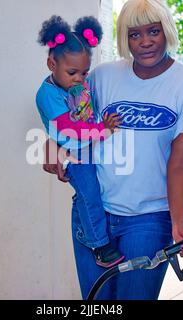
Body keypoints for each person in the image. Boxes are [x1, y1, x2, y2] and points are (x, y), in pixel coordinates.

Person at [43, 0, 183, 300]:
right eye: (134, 34)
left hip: (149, 219)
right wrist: (52, 143)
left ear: (167, 31)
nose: (145, 41)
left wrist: (179, 220)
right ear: (124, 37)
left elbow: (181, 160)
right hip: (93, 213)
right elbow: (67, 113)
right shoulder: (101, 77)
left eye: (153, 31)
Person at [36, 15, 125, 268]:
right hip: (73, 152)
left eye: (84, 72)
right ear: (51, 63)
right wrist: (104, 129)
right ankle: (99, 245)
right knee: (90, 195)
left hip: (85, 148)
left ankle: (94, 232)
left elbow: (86, 107)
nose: (79, 78)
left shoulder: (76, 84)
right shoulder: (48, 94)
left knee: (91, 194)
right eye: (72, 72)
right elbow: (71, 129)